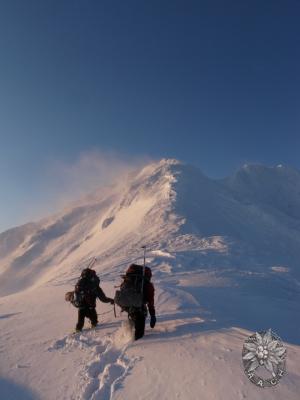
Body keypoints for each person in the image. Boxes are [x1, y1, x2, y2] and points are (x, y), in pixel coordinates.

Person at [119, 264, 156, 340]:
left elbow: (122, 290)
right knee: (139, 335)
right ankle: (134, 345)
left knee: (134, 316)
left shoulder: (128, 280)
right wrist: (153, 315)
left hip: (128, 306)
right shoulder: (147, 284)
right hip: (139, 309)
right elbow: (150, 302)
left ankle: (125, 336)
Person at [74, 268, 114, 332]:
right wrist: (111, 300)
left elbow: (76, 296)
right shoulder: (95, 286)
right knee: (94, 321)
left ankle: (78, 331)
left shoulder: (79, 284)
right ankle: (94, 329)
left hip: (81, 307)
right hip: (91, 307)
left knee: (80, 324)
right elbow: (103, 299)